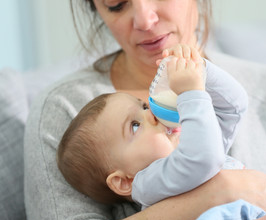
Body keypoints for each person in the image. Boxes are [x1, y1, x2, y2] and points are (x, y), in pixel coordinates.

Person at [23, 0, 266, 220]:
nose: (144, 20)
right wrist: (221, 192)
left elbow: (232, 109)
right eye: (116, 4)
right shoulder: (69, 114)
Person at [57, 46, 247, 210]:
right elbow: (204, 159)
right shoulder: (148, 184)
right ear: (125, 181)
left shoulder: (197, 141)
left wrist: (199, 68)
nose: (152, 114)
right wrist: (191, 92)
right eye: (135, 125)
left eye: (144, 106)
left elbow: (234, 107)